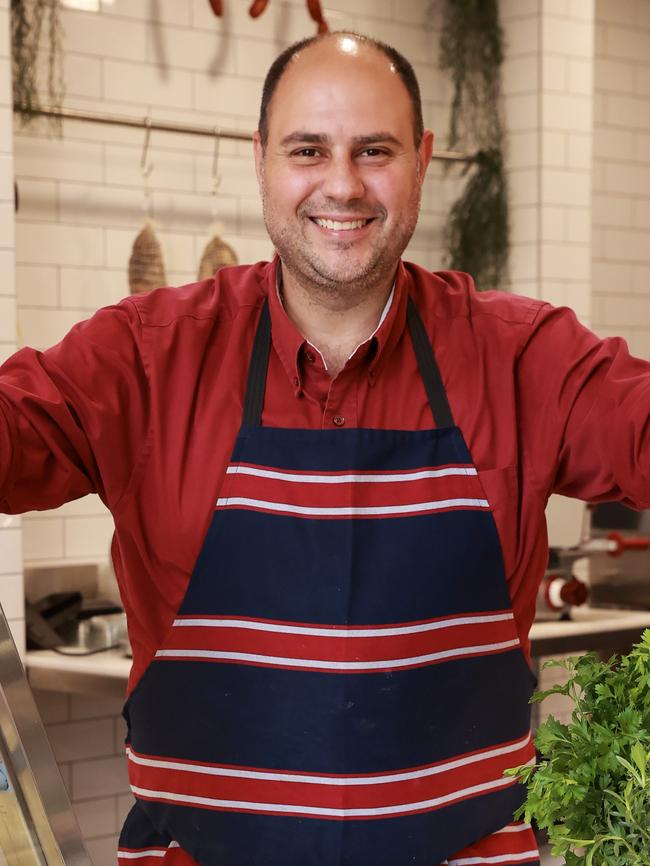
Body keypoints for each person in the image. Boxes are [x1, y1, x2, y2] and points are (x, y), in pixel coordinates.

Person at [1, 30, 648, 866]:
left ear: (421, 161)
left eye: (374, 150)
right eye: (309, 149)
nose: (342, 183)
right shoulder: (146, 355)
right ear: (262, 160)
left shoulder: (524, 356)